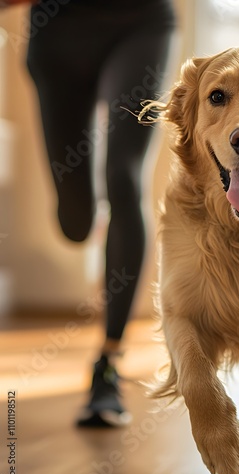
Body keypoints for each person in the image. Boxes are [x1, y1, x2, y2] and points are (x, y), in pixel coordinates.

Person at [7, 0, 176, 426]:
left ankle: (108, 363)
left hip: (139, 22)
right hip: (57, 31)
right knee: (75, 223)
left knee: (124, 177)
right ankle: (91, 215)